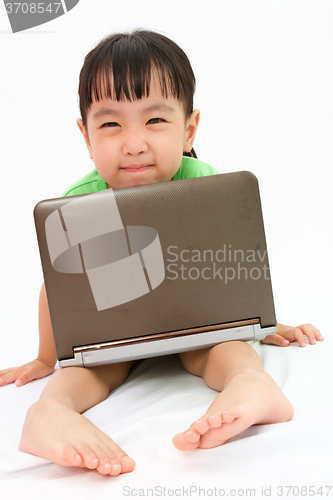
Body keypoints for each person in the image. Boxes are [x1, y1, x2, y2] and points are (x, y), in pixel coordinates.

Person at [0, 30, 323, 476]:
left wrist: (260, 321)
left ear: (189, 130)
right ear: (86, 136)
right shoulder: (82, 202)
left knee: (223, 348)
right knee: (90, 371)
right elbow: (57, 290)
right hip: (118, 338)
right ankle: (49, 412)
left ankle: (252, 385)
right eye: (111, 124)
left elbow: (229, 259)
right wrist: (44, 357)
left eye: (154, 121)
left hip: (195, 325)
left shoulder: (203, 184)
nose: (133, 143)